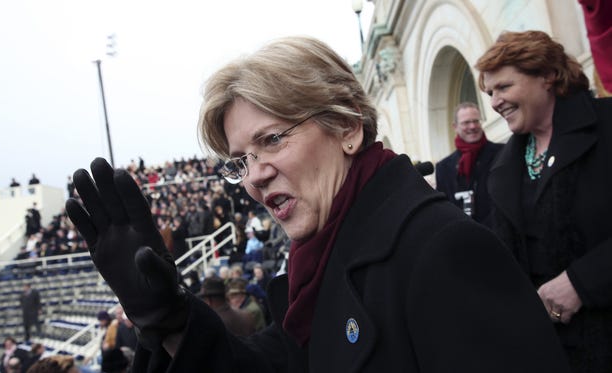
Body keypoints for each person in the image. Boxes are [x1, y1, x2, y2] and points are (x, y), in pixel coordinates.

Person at [66, 36, 570, 372]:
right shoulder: (314, 273)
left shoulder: (442, 251)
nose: (255, 175)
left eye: (271, 140)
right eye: (240, 159)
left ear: (347, 128)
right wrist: (169, 318)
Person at [476, 29, 612, 373]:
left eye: (504, 87)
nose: (493, 102)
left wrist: (583, 282)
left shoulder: (606, 125)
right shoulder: (503, 167)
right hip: (552, 352)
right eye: (490, 92)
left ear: (547, 76)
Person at [434, 102, 502, 225]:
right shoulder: (443, 168)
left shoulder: (503, 153)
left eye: (476, 121)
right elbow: (445, 210)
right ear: (455, 127)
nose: (472, 126)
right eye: (466, 123)